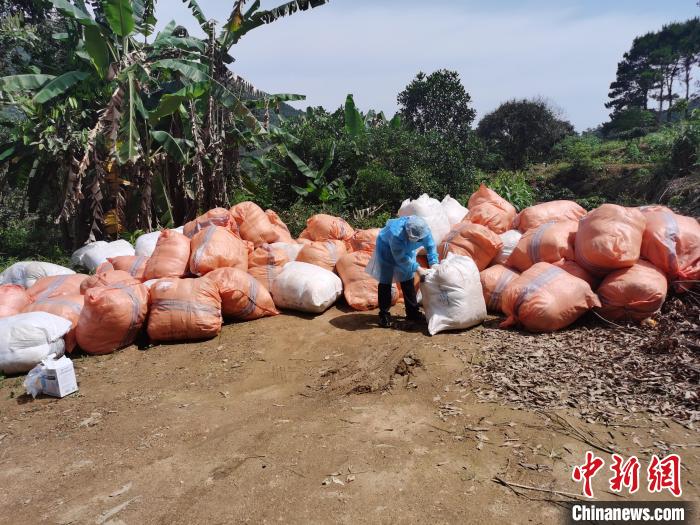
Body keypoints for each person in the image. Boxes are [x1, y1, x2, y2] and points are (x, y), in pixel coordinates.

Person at [366, 215, 439, 328]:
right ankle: (384, 315)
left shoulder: (424, 231)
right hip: (386, 248)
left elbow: (430, 246)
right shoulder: (396, 234)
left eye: (421, 239)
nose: (420, 241)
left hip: (406, 249)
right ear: (408, 233)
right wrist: (418, 269)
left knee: (408, 277)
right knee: (386, 279)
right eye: (418, 240)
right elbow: (401, 258)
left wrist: (434, 263)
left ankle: (412, 312)